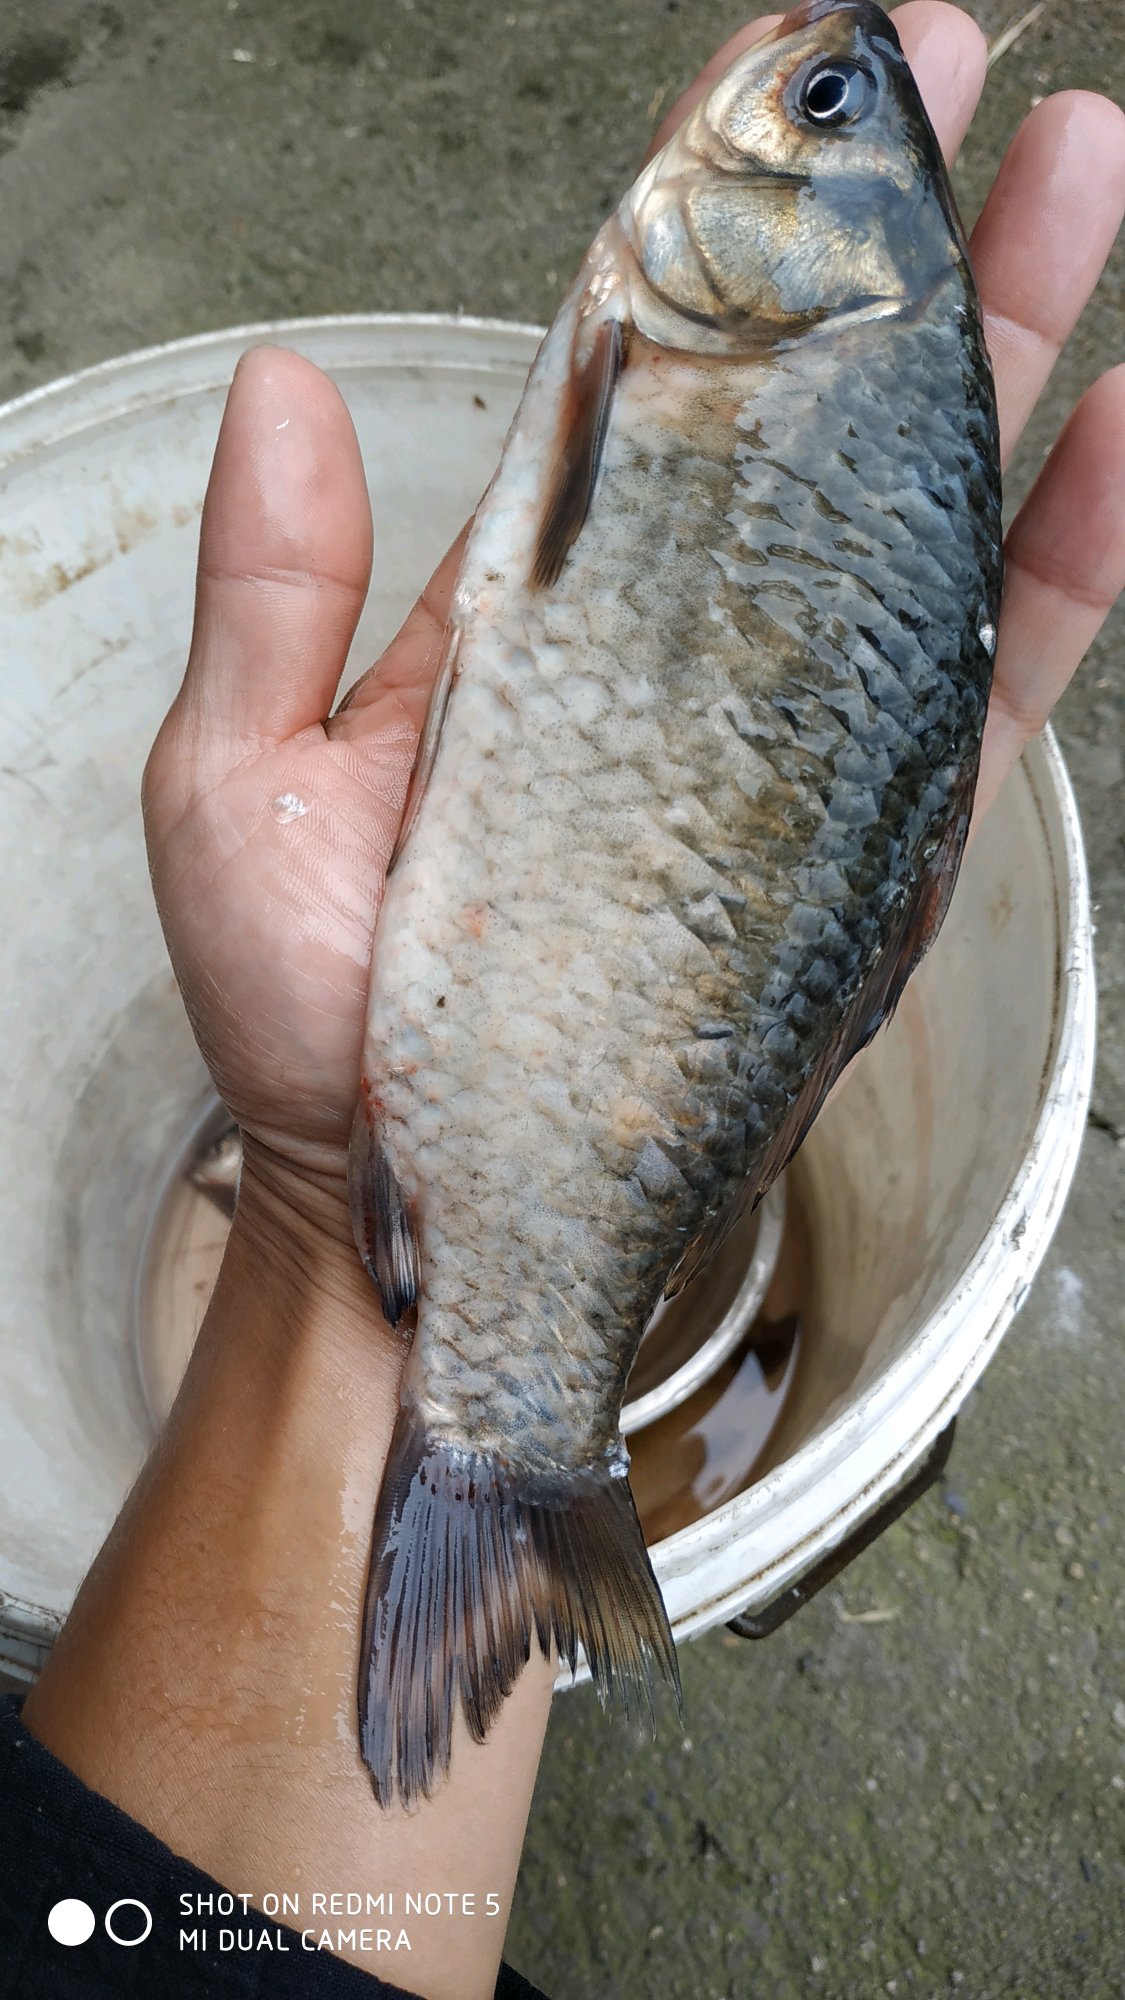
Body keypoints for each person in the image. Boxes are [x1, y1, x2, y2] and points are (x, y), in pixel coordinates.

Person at [3, 6, 1123, 1997]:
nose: (795, 83)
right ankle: (517, 1489)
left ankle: (510, 1472)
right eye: (827, 101)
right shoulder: (722, 342)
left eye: (815, 107)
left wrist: (334, 1224)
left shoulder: (688, 343)